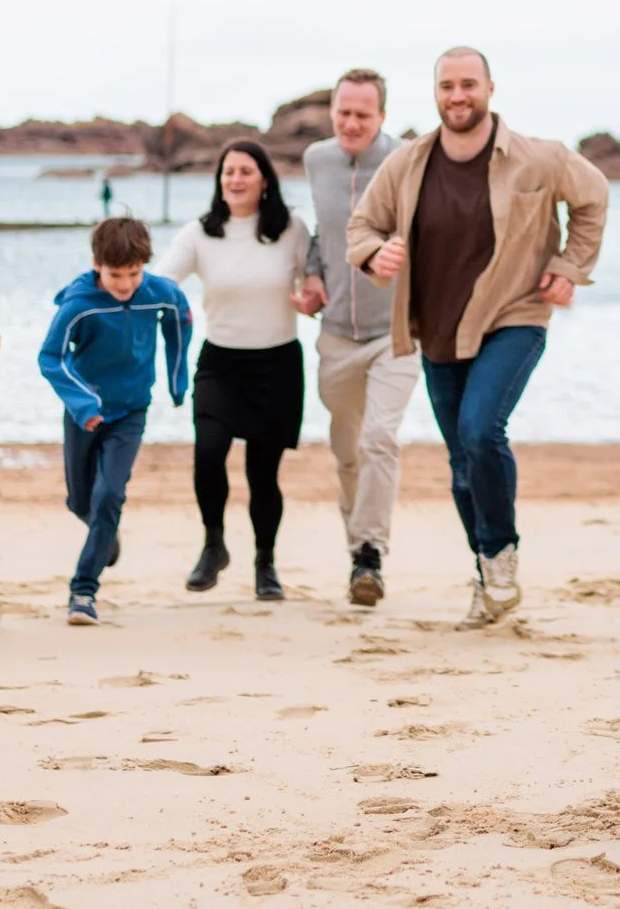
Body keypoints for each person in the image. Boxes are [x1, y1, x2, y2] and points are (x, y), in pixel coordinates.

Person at [348, 47, 609, 627]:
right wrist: (374, 253)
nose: (457, 95)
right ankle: (489, 574)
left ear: (490, 88)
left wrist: (569, 267)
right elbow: (362, 225)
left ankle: (499, 558)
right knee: (462, 462)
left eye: (468, 84)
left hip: (516, 313)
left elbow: (593, 198)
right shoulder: (408, 163)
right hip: (437, 327)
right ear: (435, 93)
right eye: (447, 86)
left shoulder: (539, 157)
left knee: (480, 429)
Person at [157, 139, 318, 602]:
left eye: (246, 171)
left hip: (277, 363)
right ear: (219, 179)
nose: (236, 179)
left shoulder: (290, 229)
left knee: (262, 474)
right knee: (208, 453)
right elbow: (162, 282)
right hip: (220, 363)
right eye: (228, 171)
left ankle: (265, 565)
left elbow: (315, 285)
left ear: (264, 179)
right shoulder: (200, 233)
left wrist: (311, 301)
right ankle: (213, 544)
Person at [38, 216, 192, 625]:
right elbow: (50, 357)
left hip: (130, 412)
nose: (125, 284)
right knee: (80, 500)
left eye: (134, 274)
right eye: (115, 275)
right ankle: (104, 533)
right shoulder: (79, 305)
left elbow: (181, 319)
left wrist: (178, 380)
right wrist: (84, 405)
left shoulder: (159, 293)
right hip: (84, 413)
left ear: (145, 265)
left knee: (109, 496)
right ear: (96, 265)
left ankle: (83, 592)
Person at [302, 67, 417, 607]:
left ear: (382, 117)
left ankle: (371, 552)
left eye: (362, 115)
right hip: (335, 335)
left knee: (380, 439)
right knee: (347, 452)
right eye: (343, 113)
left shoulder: (407, 160)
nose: (351, 123)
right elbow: (322, 232)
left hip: (396, 332)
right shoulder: (316, 159)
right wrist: (309, 273)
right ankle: (358, 556)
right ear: (332, 111)